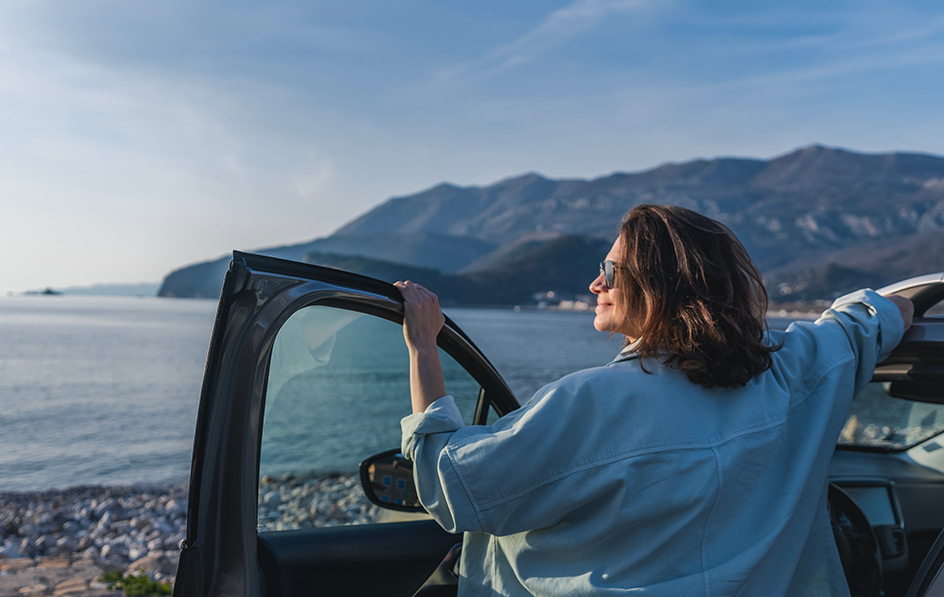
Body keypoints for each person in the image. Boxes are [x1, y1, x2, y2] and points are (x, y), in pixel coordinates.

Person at [394, 204, 913, 596]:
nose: (596, 282)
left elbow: (450, 485)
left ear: (664, 286)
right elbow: (885, 312)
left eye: (612, 271)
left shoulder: (591, 404)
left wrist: (424, 346)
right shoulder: (798, 370)